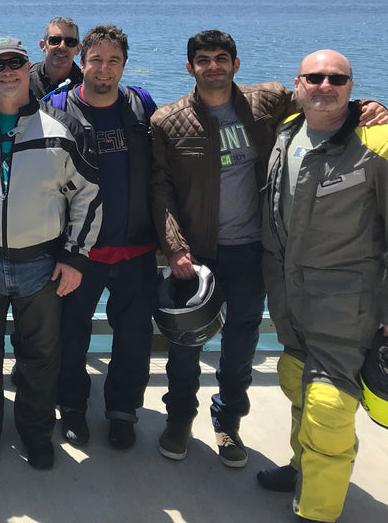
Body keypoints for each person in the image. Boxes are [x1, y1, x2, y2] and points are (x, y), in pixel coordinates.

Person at [150, 29, 386, 468]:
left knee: (240, 346)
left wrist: (366, 105)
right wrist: (176, 248)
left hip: (253, 251)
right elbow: (160, 190)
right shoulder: (168, 120)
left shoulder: (268, 101)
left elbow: (323, 101)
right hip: (196, 255)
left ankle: (228, 424)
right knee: (184, 349)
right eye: (203, 59)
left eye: (222, 57)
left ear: (236, 65)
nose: (213, 66)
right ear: (190, 68)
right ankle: (179, 419)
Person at [0, 36, 100, 470]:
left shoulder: (62, 127)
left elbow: (88, 195)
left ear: (28, 66)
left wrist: (74, 258)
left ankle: (37, 434)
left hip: (41, 262)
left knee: (39, 358)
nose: (8, 71)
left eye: (16, 62)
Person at [259, 50, 388, 523]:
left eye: (338, 78)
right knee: (298, 381)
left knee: (330, 406)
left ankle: (317, 511)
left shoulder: (377, 143)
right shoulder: (287, 130)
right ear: (298, 83)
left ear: (353, 86)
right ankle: (301, 468)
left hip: (347, 300)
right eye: (314, 77)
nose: (325, 85)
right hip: (289, 290)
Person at [51, 25, 158, 451]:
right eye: (96, 59)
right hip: (80, 252)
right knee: (71, 335)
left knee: (134, 337)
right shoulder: (56, 107)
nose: (104, 68)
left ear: (124, 65)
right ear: (82, 62)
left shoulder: (141, 103)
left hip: (136, 246)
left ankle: (122, 411)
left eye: (114, 60)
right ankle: (73, 408)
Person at [29, 16, 83, 100]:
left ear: (78, 49)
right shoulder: (26, 81)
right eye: (55, 41)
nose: (62, 46)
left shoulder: (85, 86)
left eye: (70, 42)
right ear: (43, 45)